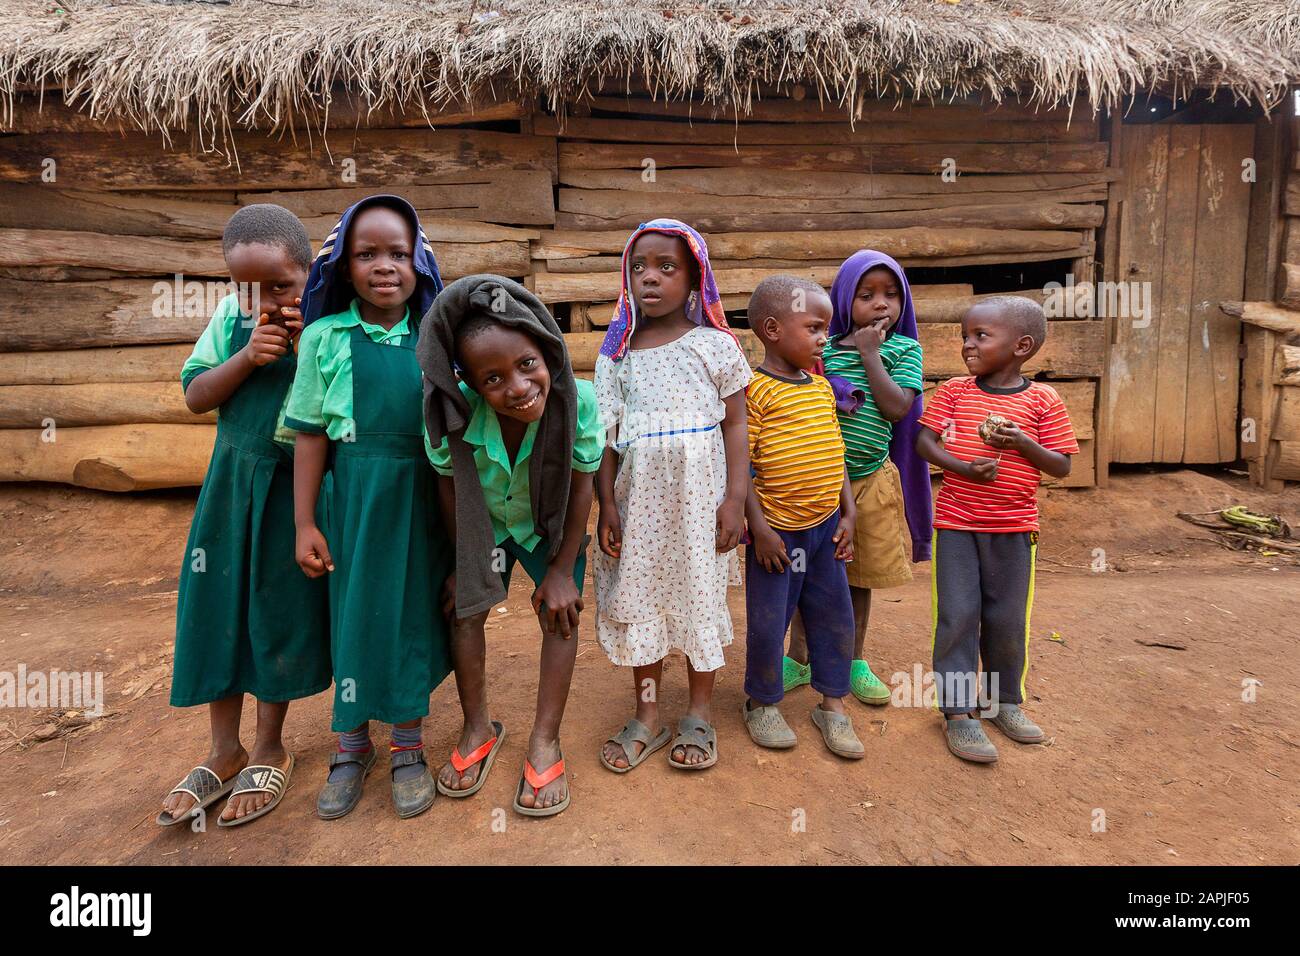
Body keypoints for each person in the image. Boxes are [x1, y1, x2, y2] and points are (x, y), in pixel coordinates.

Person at [160, 203, 328, 829]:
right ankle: (221, 748)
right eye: (247, 288)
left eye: (280, 286)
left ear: (310, 273)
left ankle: (268, 745)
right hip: (231, 488)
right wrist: (248, 358)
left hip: (293, 492)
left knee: (277, 607)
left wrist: (309, 339)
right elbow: (196, 394)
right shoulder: (232, 322)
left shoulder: (330, 324)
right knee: (219, 606)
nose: (264, 301)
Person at [286, 195, 452, 818]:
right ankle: (351, 746)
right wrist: (305, 521)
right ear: (343, 267)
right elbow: (309, 433)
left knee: (411, 612)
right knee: (352, 614)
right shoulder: (327, 337)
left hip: (419, 498)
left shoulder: (436, 336)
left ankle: (408, 747)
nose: (385, 267)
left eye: (399, 254)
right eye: (367, 255)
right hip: (352, 499)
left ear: (421, 265)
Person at [419, 275, 602, 817]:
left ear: (547, 348)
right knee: (465, 610)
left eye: (527, 365)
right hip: (487, 525)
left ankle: (545, 738)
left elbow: (582, 488)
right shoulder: (448, 417)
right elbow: (450, 492)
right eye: (493, 378)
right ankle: (478, 725)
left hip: (549, 526)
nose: (518, 387)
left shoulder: (579, 402)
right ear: (469, 384)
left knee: (559, 613)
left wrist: (563, 569)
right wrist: (464, 565)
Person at [593, 219, 751, 773]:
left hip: (700, 505)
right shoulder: (616, 357)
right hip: (637, 508)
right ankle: (649, 716)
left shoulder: (715, 346)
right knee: (642, 600)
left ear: (695, 277)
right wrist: (606, 504)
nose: (650, 279)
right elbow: (604, 436)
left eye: (666, 267)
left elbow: (736, 426)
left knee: (699, 599)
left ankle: (700, 714)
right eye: (638, 268)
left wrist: (734, 498)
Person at [915, 296, 1078, 763]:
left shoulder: (1043, 399)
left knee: (1008, 620)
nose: (968, 345)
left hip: (1014, 529)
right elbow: (925, 442)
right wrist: (962, 468)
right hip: (957, 528)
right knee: (958, 616)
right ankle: (959, 713)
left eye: (980, 336)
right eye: (965, 335)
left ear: (1021, 346)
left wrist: (1024, 442)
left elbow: (1062, 465)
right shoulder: (954, 392)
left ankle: (1003, 702)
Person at [741, 275, 862, 758]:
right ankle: (762, 702)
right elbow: (742, 469)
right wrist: (761, 529)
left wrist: (848, 513)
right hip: (778, 535)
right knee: (770, 621)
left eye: (826, 329)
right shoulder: (754, 391)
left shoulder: (820, 387)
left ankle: (832, 704)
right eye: (814, 327)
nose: (823, 338)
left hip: (827, 529)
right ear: (772, 329)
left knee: (835, 618)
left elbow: (837, 455)